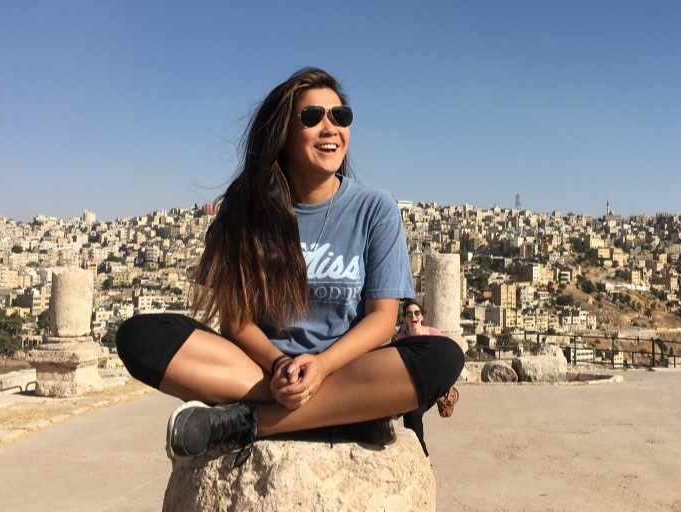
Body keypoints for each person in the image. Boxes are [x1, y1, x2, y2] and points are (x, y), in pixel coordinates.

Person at [115, 68, 463, 461]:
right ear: (281, 132)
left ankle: (244, 423)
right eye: (313, 117)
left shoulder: (375, 208)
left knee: (443, 356)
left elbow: (382, 319)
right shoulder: (246, 210)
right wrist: (281, 367)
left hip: (343, 367)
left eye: (341, 116)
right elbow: (236, 320)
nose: (331, 128)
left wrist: (322, 366)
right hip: (261, 370)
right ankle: (345, 413)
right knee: (139, 336)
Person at [394, 300, 459, 456]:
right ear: (405, 319)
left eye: (416, 313)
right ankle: (413, 455)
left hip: (432, 386)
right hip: (410, 385)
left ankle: (422, 457)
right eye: (409, 314)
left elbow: (449, 356)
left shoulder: (434, 334)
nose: (413, 316)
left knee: (413, 413)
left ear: (422, 317)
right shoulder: (400, 339)